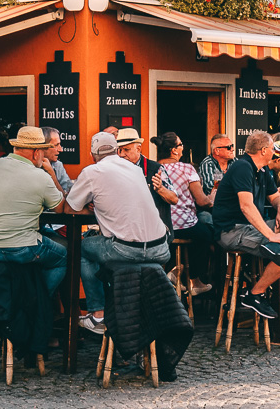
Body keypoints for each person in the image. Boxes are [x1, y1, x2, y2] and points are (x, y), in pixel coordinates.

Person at [67, 129, 172, 335]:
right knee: (105, 244)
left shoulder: (91, 172)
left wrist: (91, 202)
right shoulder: (135, 169)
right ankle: (128, 312)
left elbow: (70, 208)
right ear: (117, 151)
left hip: (127, 249)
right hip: (161, 248)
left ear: (92, 156)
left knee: (81, 247)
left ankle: (98, 314)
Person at [211, 131, 280, 321]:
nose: (274, 152)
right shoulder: (243, 167)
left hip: (252, 229)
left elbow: (275, 198)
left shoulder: (262, 170)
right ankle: (256, 291)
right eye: (273, 148)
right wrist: (271, 235)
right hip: (232, 230)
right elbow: (246, 206)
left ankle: (255, 292)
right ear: (264, 150)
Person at [0, 126, 67, 296]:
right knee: (62, 257)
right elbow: (60, 208)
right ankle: (34, 302)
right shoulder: (41, 176)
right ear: (36, 152)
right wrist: (52, 174)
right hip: (19, 248)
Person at [153, 131, 215, 297]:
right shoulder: (187, 168)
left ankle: (175, 269)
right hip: (183, 224)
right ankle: (194, 279)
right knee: (207, 234)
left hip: (160, 227)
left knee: (174, 240)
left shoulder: (153, 168)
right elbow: (201, 201)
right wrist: (212, 200)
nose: (182, 148)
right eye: (180, 145)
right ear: (174, 150)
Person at [199, 134, 235, 200]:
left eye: (232, 146)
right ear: (217, 151)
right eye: (229, 147)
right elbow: (210, 189)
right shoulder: (207, 163)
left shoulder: (235, 162)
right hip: (213, 205)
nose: (232, 149)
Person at [39, 127, 74, 196]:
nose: (61, 149)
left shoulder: (58, 165)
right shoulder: (29, 166)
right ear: (42, 147)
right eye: (56, 145)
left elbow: (68, 195)